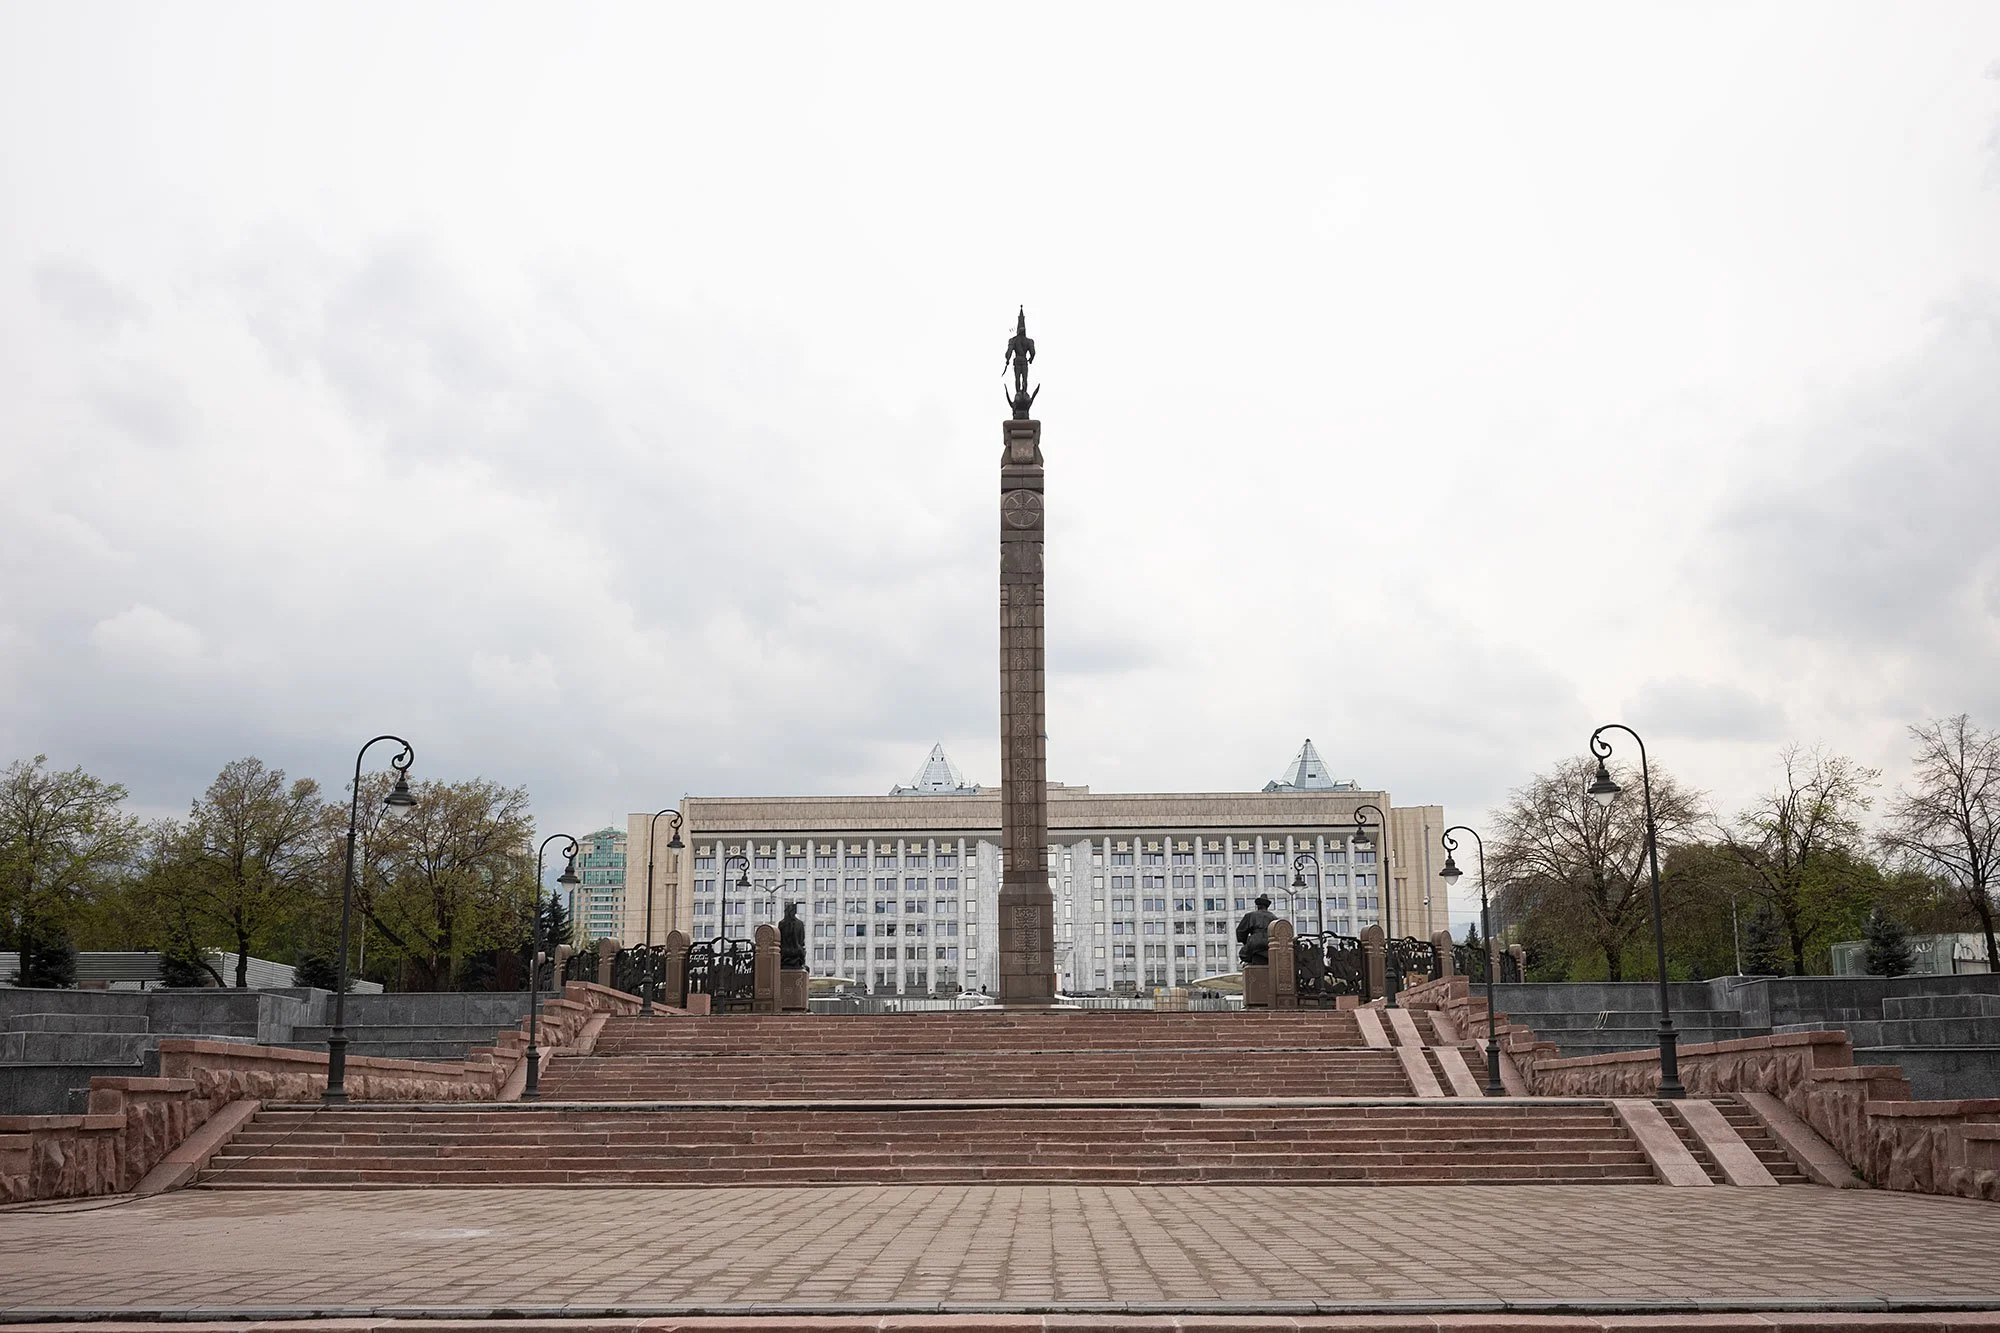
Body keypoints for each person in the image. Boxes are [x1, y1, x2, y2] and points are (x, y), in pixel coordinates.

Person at [1236, 893, 1276, 967]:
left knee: (1243, 954)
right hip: (1269, 942)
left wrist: (1246, 942)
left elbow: (1240, 931)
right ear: (1267, 906)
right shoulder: (1274, 917)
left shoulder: (1250, 915)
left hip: (1255, 941)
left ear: (1258, 906)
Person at [778, 901, 806, 970]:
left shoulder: (782, 923)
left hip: (787, 954)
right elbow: (802, 940)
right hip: (795, 954)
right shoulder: (800, 923)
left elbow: (779, 940)